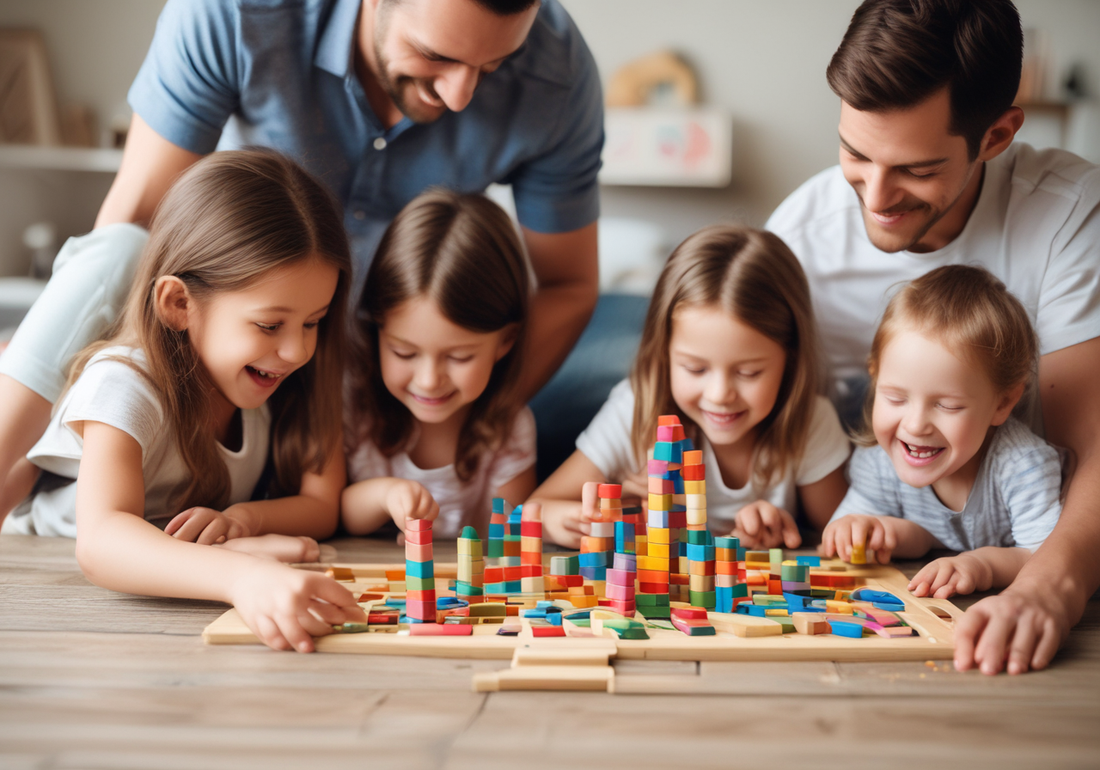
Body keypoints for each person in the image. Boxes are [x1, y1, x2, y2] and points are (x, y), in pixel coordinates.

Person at [0, 0, 602, 528]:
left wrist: (457, 405)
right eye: (434, 55)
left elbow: (568, 284)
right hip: (238, 343)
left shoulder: (558, 76)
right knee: (119, 253)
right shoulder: (235, 11)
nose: (460, 95)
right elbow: (133, 231)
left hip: (347, 368)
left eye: (492, 69)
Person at [766, 0, 1100, 674]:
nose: (875, 196)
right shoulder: (800, 238)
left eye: (916, 170)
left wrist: (1048, 590)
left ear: (997, 136)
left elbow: (1089, 446)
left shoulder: (1067, 215)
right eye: (855, 153)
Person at [0, 150, 366, 652]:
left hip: (169, 566)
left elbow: (321, 508)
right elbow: (103, 541)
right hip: (45, 572)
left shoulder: (280, 379)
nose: (298, 349)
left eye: (313, 321)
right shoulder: (125, 383)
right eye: (268, 325)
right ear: (179, 304)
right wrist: (241, 575)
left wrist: (244, 521)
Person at [531, 226, 851, 550]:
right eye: (695, 368)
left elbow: (843, 531)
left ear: (791, 358)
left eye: (749, 372)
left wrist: (784, 526)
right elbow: (536, 508)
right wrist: (576, 520)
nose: (719, 394)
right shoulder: (635, 407)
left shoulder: (809, 421)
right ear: (664, 352)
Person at [822, 266, 1063, 601]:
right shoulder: (879, 462)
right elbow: (915, 535)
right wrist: (867, 532)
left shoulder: (1023, 467)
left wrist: (982, 566)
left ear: (1003, 402)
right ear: (874, 377)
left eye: (948, 405)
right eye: (895, 397)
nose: (916, 424)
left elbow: (1048, 558)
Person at [341, 190, 537, 538]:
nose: (429, 380)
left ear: (506, 341)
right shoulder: (355, 410)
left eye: (459, 357)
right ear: (376, 331)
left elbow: (508, 539)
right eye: (404, 353)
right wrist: (387, 495)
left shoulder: (509, 428)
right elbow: (337, 516)